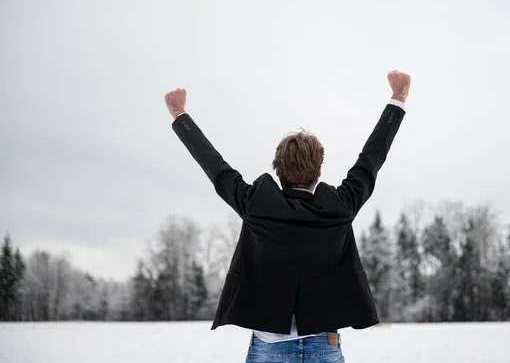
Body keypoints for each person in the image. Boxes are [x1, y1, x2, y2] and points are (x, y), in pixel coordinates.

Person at [165, 70, 411, 363]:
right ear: (319, 172)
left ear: (277, 171)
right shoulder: (340, 207)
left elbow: (215, 167)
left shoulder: (255, 205)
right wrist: (398, 98)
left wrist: (180, 114)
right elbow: (370, 160)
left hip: (269, 348)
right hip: (325, 345)